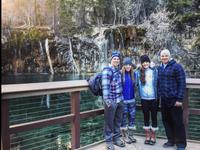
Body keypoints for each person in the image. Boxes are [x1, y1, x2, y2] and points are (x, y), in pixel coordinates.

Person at [157, 49, 187, 150]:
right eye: (162, 56)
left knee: (178, 121)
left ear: (169, 56)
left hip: (174, 99)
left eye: (166, 55)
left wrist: (179, 99)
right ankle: (171, 140)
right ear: (160, 57)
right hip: (164, 99)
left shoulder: (177, 67)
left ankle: (181, 144)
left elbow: (182, 83)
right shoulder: (160, 68)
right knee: (166, 120)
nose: (164, 57)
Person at [102, 51, 125, 150]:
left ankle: (116, 138)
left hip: (120, 99)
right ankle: (108, 141)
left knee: (118, 121)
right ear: (111, 60)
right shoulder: (107, 70)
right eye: (114, 58)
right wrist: (107, 101)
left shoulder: (118, 70)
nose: (116, 60)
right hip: (111, 100)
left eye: (117, 58)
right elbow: (105, 86)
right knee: (109, 122)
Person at [135, 54, 159, 145]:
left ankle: (153, 136)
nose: (145, 64)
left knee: (154, 117)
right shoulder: (138, 72)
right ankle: (147, 135)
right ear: (141, 63)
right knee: (146, 117)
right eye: (143, 62)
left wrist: (154, 66)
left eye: (147, 62)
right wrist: (137, 68)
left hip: (154, 98)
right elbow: (135, 82)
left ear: (149, 62)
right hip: (144, 98)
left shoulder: (154, 71)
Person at [120, 57, 137, 144]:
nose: (128, 66)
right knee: (124, 118)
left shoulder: (134, 74)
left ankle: (131, 135)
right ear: (123, 65)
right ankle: (125, 136)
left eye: (129, 64)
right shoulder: (120, 74)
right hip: (123, 100)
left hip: (132, 100)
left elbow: (143, 69)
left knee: (132, 117)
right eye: (126, 64)